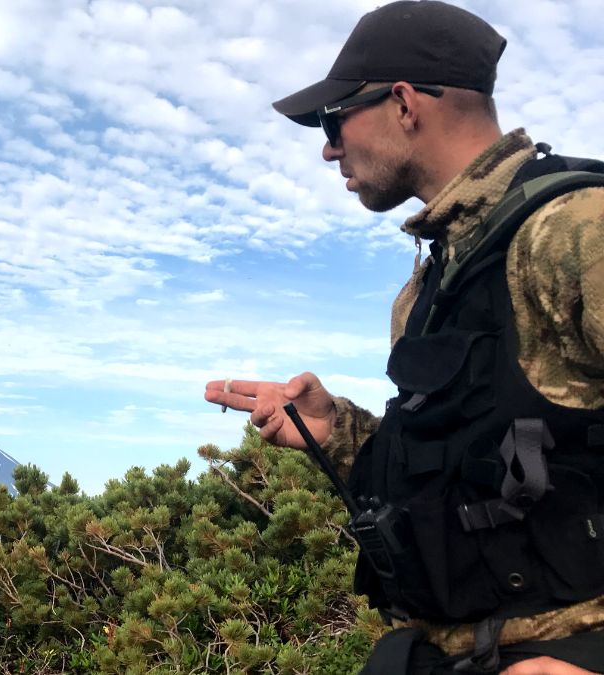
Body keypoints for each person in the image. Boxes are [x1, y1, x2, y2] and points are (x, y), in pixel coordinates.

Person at [205, 2, 604, 673]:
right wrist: (338, 430)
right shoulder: (427, 287)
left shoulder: (572, 230)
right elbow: (465, 469)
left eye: (334, 121)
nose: (329, 147)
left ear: (403, 103)